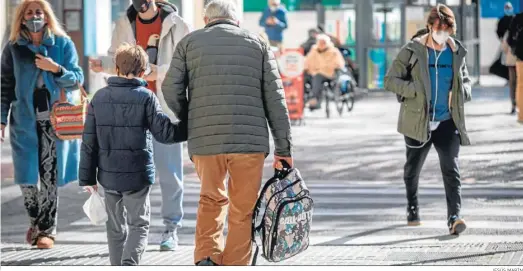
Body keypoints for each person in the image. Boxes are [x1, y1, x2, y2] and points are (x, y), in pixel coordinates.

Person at [162, 0, 293, 266]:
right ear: (236, 20)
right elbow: (276, 100)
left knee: (210, 198)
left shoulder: (189, 43)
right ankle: (235, 262)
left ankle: (207, 257)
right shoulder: (258, 44)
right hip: (249, 143)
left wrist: (190, 117)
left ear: (206, 18)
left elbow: (169, 87)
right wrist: (284, 149)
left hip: (205, 142)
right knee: (243, 208)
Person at [89, 0, 191, 251]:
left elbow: (187, 64)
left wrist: (159, 72)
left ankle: (171, 228)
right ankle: (127, 232)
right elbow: (117, 58)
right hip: (129, 111)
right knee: (128, 172)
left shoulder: (177, 25)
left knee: (170, 174)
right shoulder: (124, 22)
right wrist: (103, 62)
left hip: (164, 108)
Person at [79, 44, 187, 266]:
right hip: (137, 176)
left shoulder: (98, 98)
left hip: (108, 176)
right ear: (143, 71)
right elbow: (164, 133)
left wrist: (87, 179)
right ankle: (130, 263)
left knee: (115, 227)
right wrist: (188, 125)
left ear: (116, 68)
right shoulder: (146, 97)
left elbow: (89, 141)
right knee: (138, 224)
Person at [0, 0, 84, 249]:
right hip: (24, 120)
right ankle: (36, 222)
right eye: (29, 12)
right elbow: (4, 87)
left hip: (54, 120)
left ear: (47, 17)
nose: (34, 16)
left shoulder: (62, 43)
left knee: (49, 175)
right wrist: (1, 119)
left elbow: (76, 79)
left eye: (39, 12)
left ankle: (47, 231)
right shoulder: (13, 48)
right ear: (22, 18)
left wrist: (56, 69)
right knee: (26, 177)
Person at [384, 4, 472, 235]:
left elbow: (466, 81)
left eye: (447, 29)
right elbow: (390, 80)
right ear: (430, 27)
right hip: (417, 121)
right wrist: (415, 90)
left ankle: (454, 217)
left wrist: (462, 92)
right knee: (412, 169)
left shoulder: (456, 52)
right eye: (439, 28)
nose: (443, 33)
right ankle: (412, 206)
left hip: (447, 121)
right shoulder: (412, 50)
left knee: (451, 169)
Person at [304, 34, 345, 110]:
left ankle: (314, 99)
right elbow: (307, 61)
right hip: (313, 72)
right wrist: (306, 69)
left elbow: (339, 63)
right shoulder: (314, 50)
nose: (321, 44)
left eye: (323, 42)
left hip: (329, 74)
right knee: (303, 78)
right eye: (320, 42)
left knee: (318, 77)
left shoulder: (334, 51)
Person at [499, 2, 517, 114]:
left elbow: (504, 46)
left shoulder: (509, 32)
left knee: (513, 82)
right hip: (518, 59)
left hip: (511, 58)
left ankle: (514, 104)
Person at [508, 11, 523, 123]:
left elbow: (510, 40)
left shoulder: (517, 18)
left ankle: (521, 115)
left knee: (520, 84)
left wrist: (515, 49)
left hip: (520, 56)